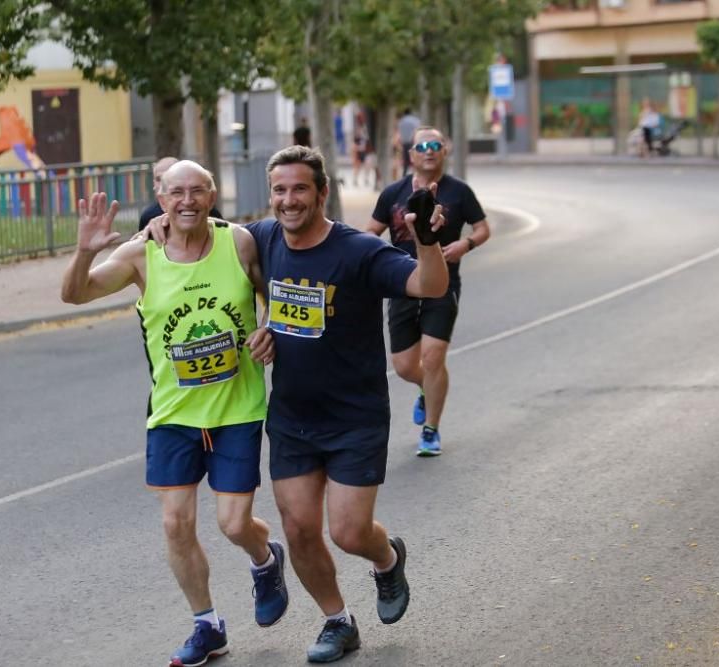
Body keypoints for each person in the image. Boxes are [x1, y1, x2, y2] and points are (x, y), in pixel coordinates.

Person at [145, 146, 449, 663]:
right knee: (301, 531)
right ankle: (338, 621)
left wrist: (427, 242)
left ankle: (387, 557)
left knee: (348, 532)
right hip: (291, 417)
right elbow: (197, 224)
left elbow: (429, 284)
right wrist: (155, 227)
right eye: (280, 190)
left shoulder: (357, 251)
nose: (289, 200)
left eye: (300, 189)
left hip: (354, 415)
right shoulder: (261, 238)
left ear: (322, 193)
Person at [62, 161, 289, 667]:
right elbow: (74, 294)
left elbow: (270, 293)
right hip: (172, 413)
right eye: (176, 193)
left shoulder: (240, 243)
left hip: (237, 408)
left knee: (233, 524)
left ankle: (265, 556)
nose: (187, 201)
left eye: (197, 191)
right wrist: (85, 250)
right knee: (175, 524)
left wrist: (269, 326)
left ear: (211, 196)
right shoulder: (141, 255)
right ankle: (206, 625)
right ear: (161, 201)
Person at [366, 126, 490, 457]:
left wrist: (465, 244)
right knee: (406, 365)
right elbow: (370, 232)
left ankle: (431, 430)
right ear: (412, 155)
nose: (429, 150)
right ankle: (426, 387)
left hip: (442, 284)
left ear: (445, 150)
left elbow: (482, 228)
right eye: (422, 145)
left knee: (433, 356)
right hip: (402, 284)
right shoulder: (392, 192)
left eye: (435, 144)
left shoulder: (459, 192)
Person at [139, 157, 222, 231]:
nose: (187, 201)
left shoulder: (208, 211)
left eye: (196, 190)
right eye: (158, 179)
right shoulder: (148, 217)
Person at [397, 108, 421, 176]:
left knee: (405, 161)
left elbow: (399, 133)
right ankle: (416, 175)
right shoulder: (415, 120)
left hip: (404, 143)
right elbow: (418, 130)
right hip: (413, 142)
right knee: (414, 160)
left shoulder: (401, 121)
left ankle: (404, 175)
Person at [350, 112, 371, 188]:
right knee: (357, 167)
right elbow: (354, 143)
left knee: (367, 165)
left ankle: (366, 179)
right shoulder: (357, 129)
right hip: (358, 151)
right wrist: (357, 149)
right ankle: (355, 180)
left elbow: (366, 140)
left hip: (364, 150)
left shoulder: (365, 128)